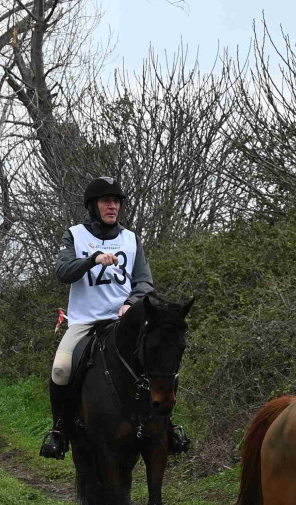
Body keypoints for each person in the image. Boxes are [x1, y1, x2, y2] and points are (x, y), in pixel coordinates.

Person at [40, 175, 189, 459]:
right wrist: (92, 259)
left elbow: (145, 282)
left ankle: (166, 426)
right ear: (93, 206)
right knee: (60, 369)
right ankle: (59, 431)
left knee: (160, 360)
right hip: (85, 321)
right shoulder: (74, 235)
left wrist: (132, 302)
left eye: (116, 202)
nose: (113, 207)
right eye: (106, 201)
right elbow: (62, 271)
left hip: (124, 321)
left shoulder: (131, 239)